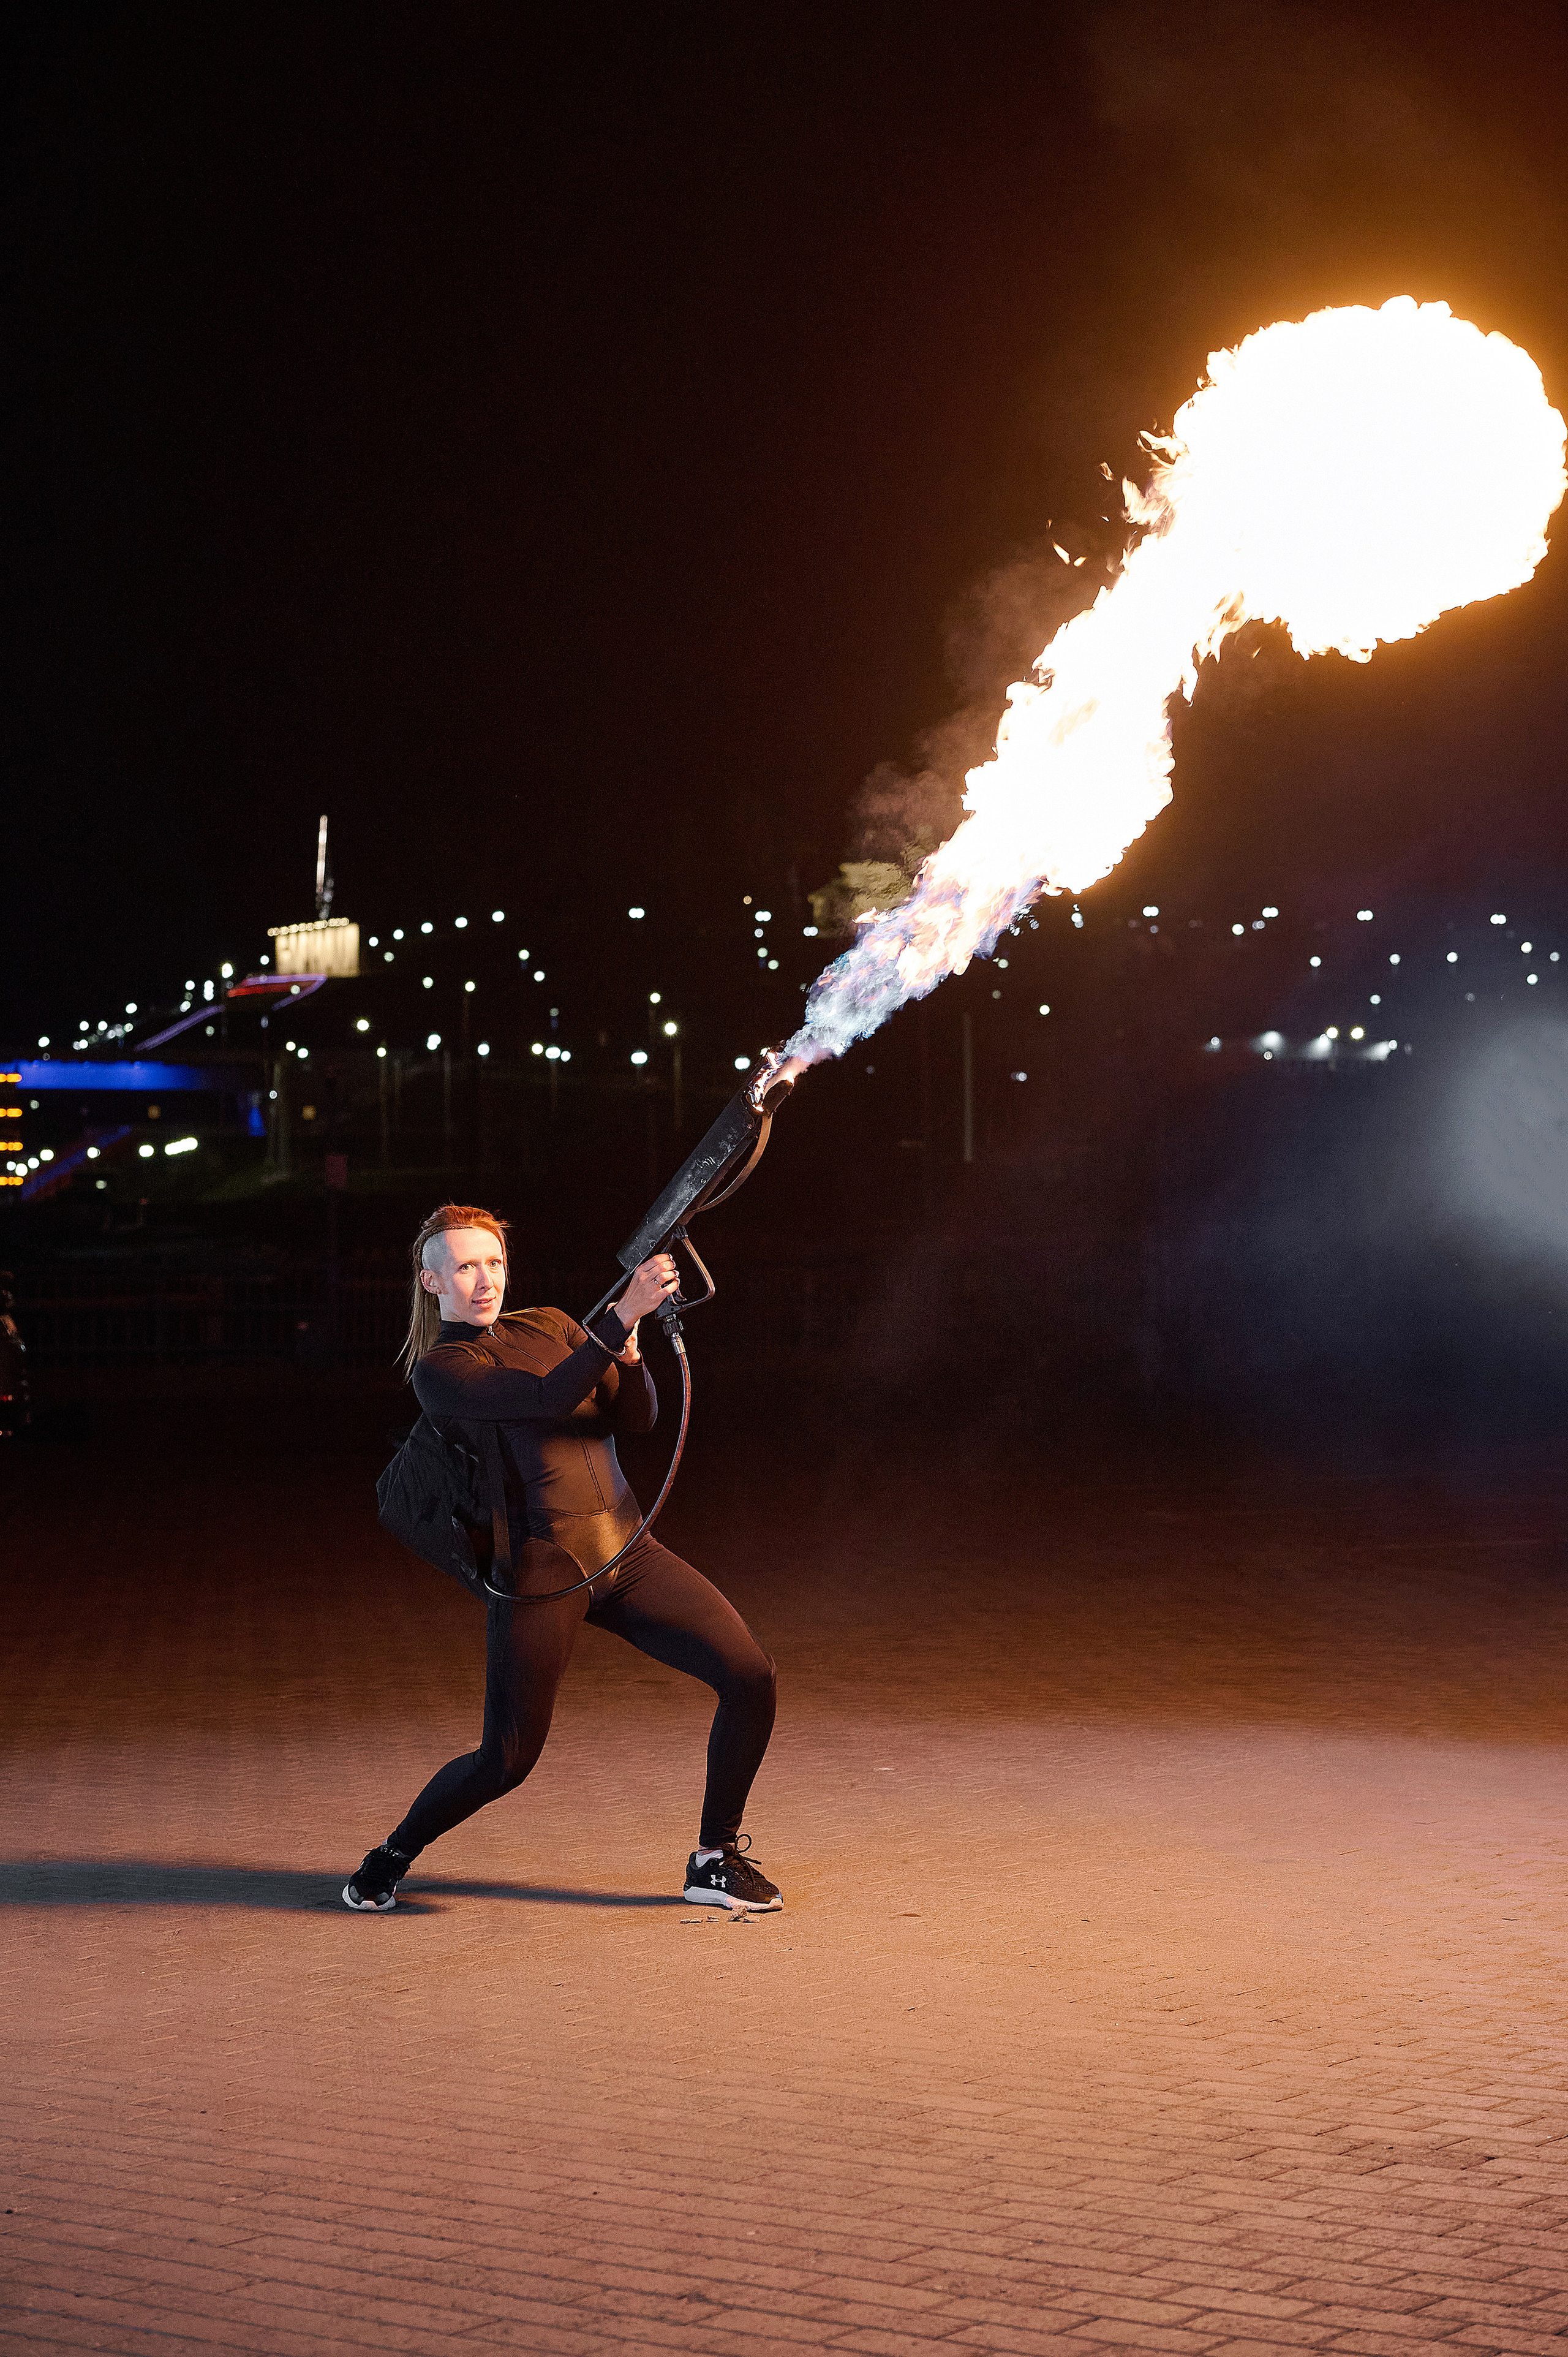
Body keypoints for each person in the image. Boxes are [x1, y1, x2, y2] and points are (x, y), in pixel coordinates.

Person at [344, 1201, 781, 1913]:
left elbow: (633, 1417)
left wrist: (630, 1344)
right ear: (432, 1282)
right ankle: (389, 1856)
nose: (484, 1280)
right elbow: (547, 1399)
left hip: (628, 1549)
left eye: (493, 1263)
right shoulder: (445, 1367)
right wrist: (618, 1317)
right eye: (463, 1267)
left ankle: (713, 1858)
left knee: (751, 1674)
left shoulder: (550, 1324)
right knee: (507, 1760)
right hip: (545, 1573)